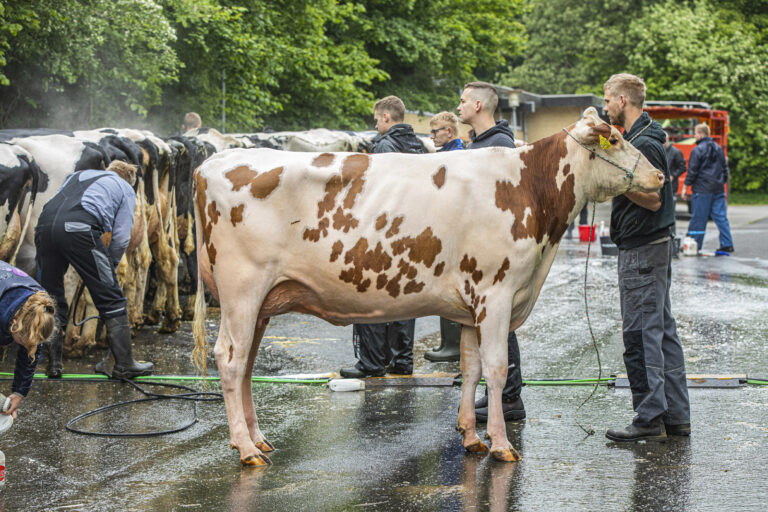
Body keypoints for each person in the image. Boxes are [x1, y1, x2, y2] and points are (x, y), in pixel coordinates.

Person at [602, 73, 690, 442]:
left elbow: (654, 199)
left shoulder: (646, 145)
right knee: (663, 332)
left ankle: (649, 418)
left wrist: (616, 180)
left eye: (608, 99)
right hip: (651, 246)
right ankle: (676, 417)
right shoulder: (640, 138)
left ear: (623, 100)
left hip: (643, 248)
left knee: (641, 334)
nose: (605, 106)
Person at [35, 161, 154, 379]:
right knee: (111, 298)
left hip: (44, 226)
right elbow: (120, 238)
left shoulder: (78, 175)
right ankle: (125, 364)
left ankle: (53, 365)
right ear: (129, 179)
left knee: (50, 297)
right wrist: (110, 267)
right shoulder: (126, 188)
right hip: (79, 229)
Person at [340, 96, 426, 379]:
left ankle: (373, 361)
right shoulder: (418, 145)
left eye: (376, 119)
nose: (375, 124)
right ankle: (401, 360)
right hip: (413, 230)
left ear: (387, 117)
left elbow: (377, 192)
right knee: (404, 298)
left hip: (385, 232)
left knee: (371, 294)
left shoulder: (386, 145)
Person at [457, 81, 525, 422]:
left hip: (493, 247)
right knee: (485, 321)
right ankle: (498, 393)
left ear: (480, 106)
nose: (459, 107)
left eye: (464, 101)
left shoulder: (500, 144)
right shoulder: (478, 141)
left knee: (499, 322)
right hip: (475, 244)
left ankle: (510, 396)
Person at [424, 111, 464, 363]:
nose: (432, 136)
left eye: (435, 131)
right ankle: (447, 343)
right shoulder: (449, 153)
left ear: (449, 132)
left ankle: (453, 345)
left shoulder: (456, 155)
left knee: (450, 287)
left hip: (454, 228)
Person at [0, 260, 56, 419]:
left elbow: (30, 354)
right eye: (25, 343)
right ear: (14, 324)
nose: (29, 347)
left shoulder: (39, 310)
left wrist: (19, 392)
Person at [682, 123, 734, 254]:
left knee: (699, 218)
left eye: (695, 133)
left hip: (702, 189)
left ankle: (695, 244)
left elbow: (692, 171)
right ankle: (727, 244)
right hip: (718, 188)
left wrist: (685, 186)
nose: (694, 136)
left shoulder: (697, 150)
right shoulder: (718, 148)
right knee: (721, 217)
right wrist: (723, 182)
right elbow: (724, 168)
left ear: (700, 134)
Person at [664, 131, 687, 200]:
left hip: (671, 187)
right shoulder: (657, 151)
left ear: (667, 139)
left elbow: (683, 167)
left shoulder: (676, 152)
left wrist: (673, 176)